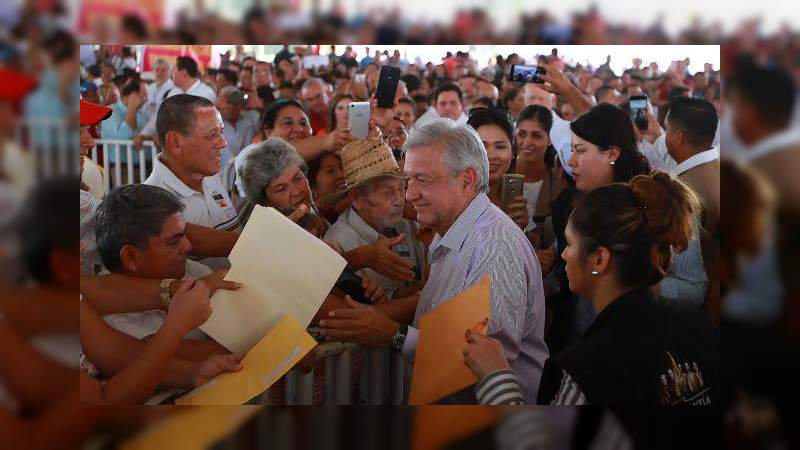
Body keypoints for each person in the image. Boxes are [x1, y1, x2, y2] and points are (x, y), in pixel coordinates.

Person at [319, 119, 548, 404]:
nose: (409, 194)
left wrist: (393, 334)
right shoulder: (455, 231)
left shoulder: (493, 248)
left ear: (466, 180)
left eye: (422, 180)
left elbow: (479, 365)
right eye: (408, 180)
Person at [463, 172, 719, 406]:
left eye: (571, 244)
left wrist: (496, 376)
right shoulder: (698, 326)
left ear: (599, 259)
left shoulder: (586, 371)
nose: (563, 254)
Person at [547, 103, 652, 354]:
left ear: (613, 153)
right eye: (571, 150)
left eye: (581, 151)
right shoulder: (566, 204)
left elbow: (692, 284)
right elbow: (562, 272)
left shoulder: (649, 205)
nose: (571, 161)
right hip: (574, 333)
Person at [322, 137, 426, 300]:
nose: (400, 200)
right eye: (389, 193)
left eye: (401, 188)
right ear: (356, 199)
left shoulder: (409, 224)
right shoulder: (337, 241)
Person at [144, 94, 240, 270]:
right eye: (212, 135)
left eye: (222, 132)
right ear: (175, 142)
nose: (223, 143)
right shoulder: (151, 204)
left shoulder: (209, 175)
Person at [664, 97, 721, 310]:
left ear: (679, 137)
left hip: (702, 310)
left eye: (667, 129)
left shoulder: (684, 188)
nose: (664, 136)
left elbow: (687, 280)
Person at [466, 108, 529, 231]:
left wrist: (520, 231)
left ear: (513, 151)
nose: (491, 155)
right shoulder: (455, 200)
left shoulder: (515, 198)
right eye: (482, 147)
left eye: (500, 146)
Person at [216, 86, 259, 170]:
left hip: (248, 172)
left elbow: (267, 130)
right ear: (220, 103)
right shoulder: (214, 122)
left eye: (235, 103)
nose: (232, 107)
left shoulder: (251, 117)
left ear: (241, 104)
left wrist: (260, 107)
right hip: (221, 175)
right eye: (228, 102)